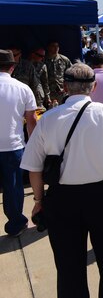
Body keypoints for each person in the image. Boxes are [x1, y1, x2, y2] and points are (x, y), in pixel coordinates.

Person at [20, 63, 103, 298]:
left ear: (64, 87)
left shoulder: (48, 119)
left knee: (69, 268)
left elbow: (33, 168)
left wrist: (39, 199)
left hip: (63, 199)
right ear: (93, 86)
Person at [0, 49, 38, 237]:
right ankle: (15, 223)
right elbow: (31, 120)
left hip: (12, 146)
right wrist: (35, 145)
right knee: (13, 186)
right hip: (12, 146)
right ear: (13, 67)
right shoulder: (22, 88)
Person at [45, 41, 72, 107]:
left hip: (61, 92)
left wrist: (67, 87)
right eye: (53, 46)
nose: (56, 48)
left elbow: (71, 73)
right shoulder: (43, 59)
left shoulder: (64, 59)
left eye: (57, 46)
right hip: (49, 92)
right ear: (48, 48)